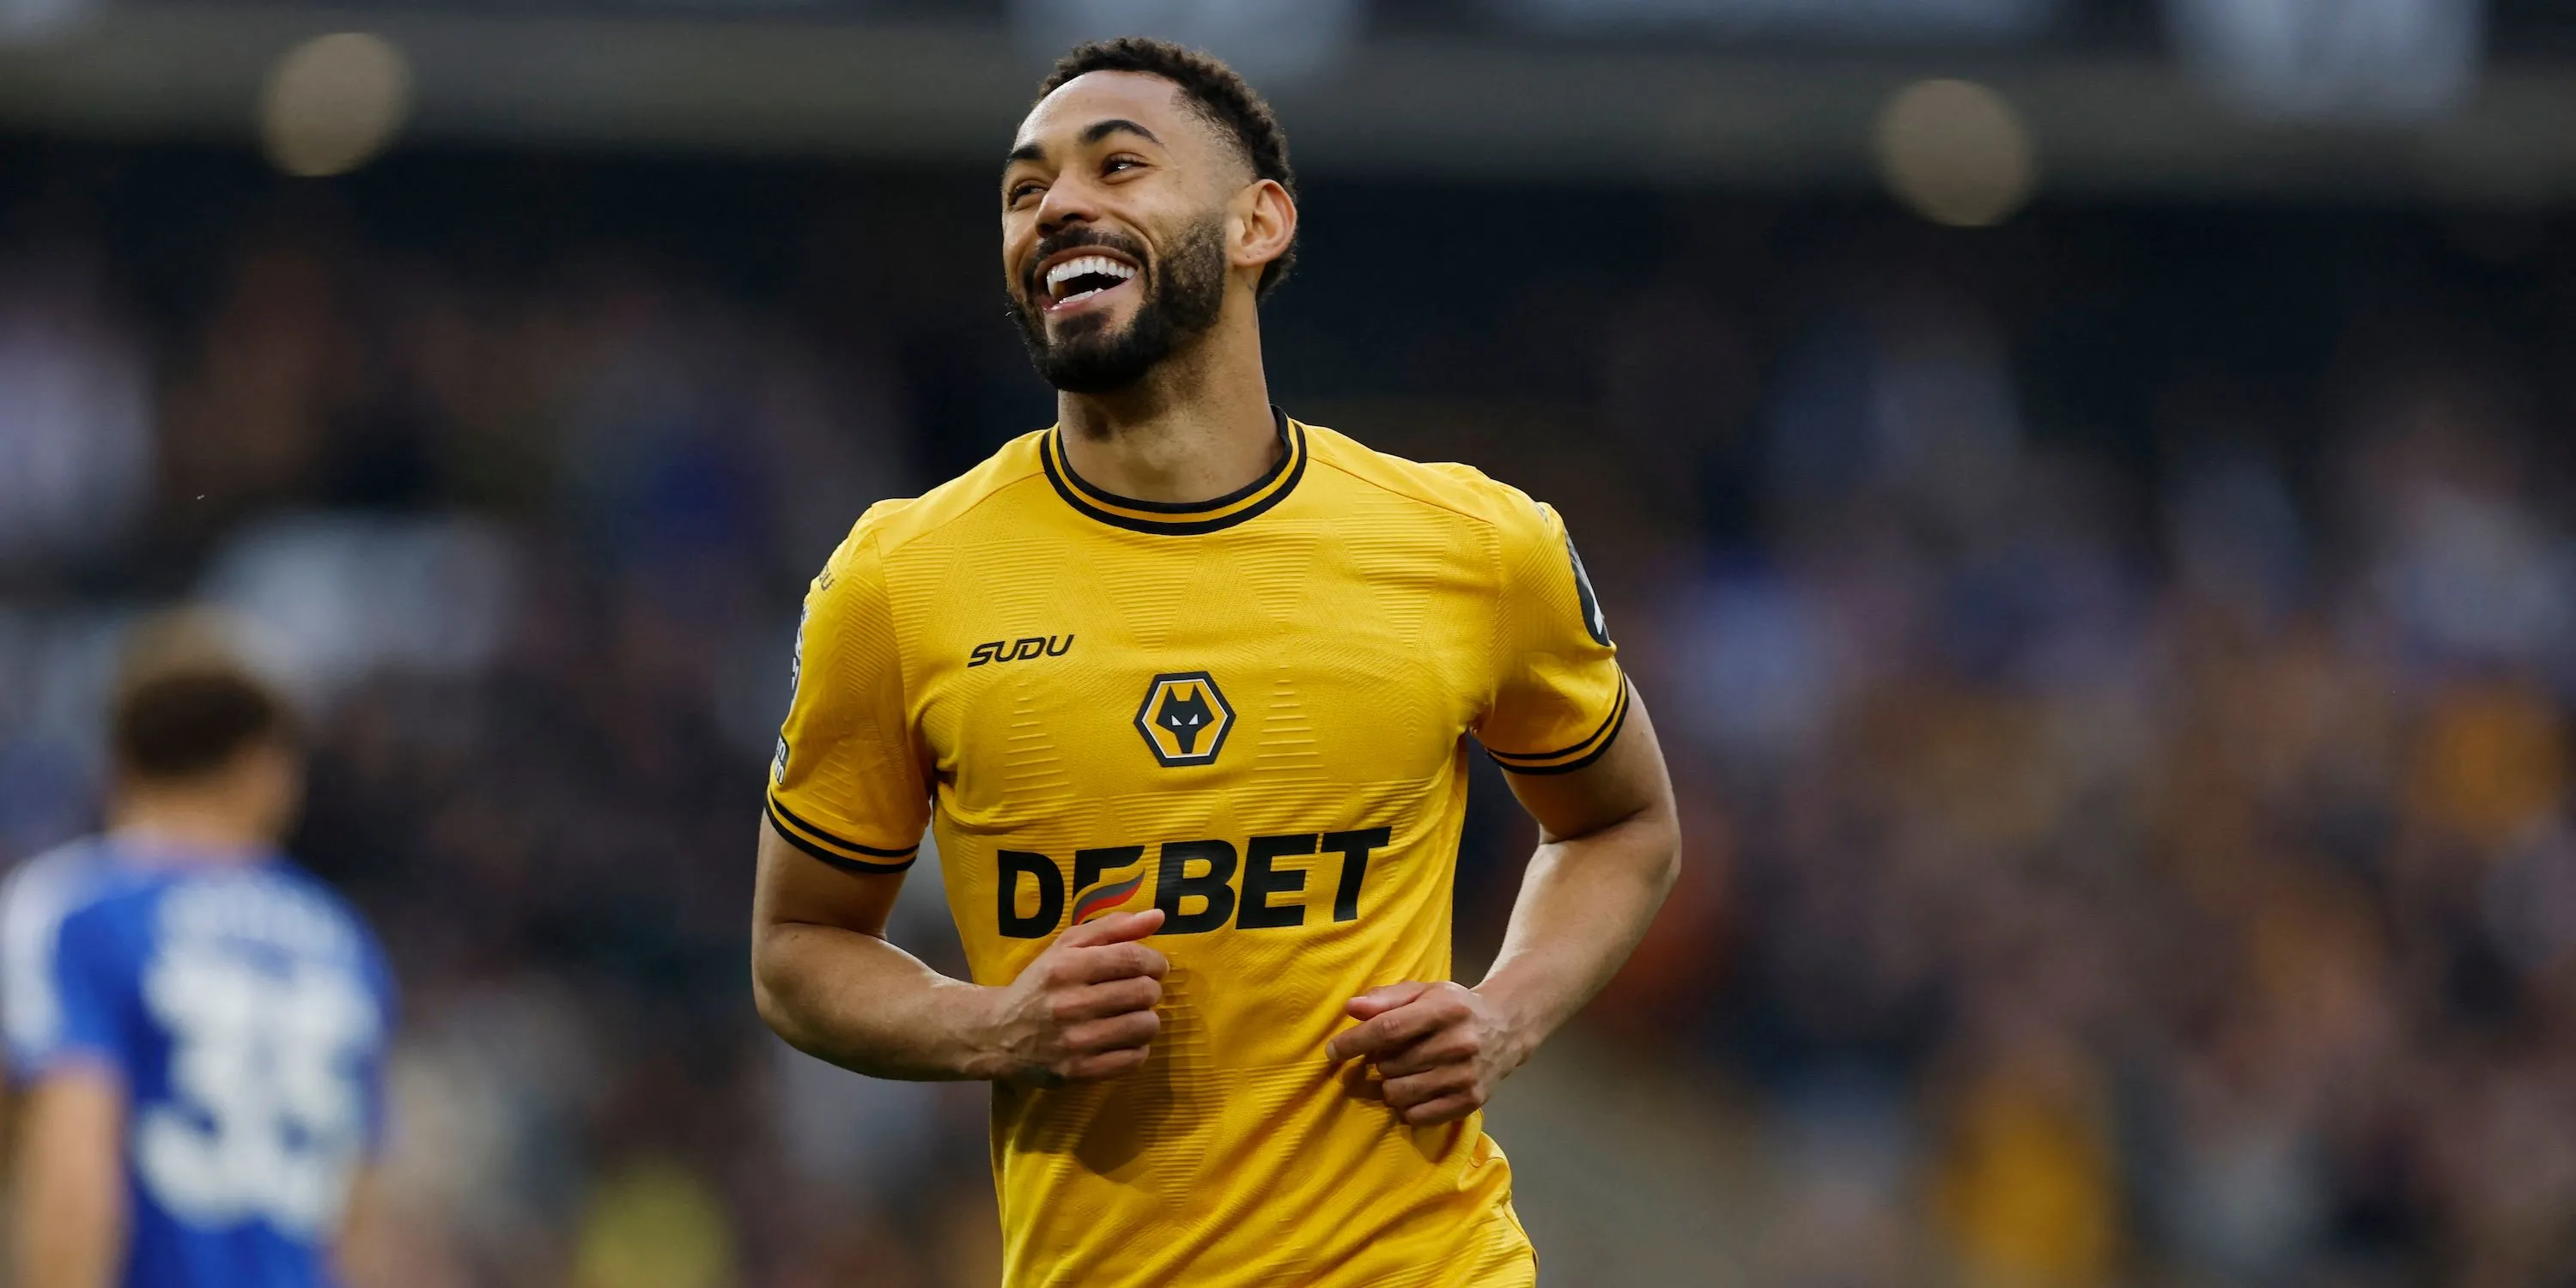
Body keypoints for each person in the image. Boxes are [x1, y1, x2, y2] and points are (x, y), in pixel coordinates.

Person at [750, 36, 1680, 1287]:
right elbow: (798, 948)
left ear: (1258, 223)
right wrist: (992, 1027)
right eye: (1024, 191)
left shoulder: (1474, 546)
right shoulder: (900, 581)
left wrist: (1507, 1011)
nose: (1056, 206)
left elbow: (1622, 824)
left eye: (1117, 165)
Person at [0, 625, 396, 1288]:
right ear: (266, 770)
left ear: (118, 762)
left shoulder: (74, 908)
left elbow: (74, 1180)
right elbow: (354, 1217)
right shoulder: (342, 941)